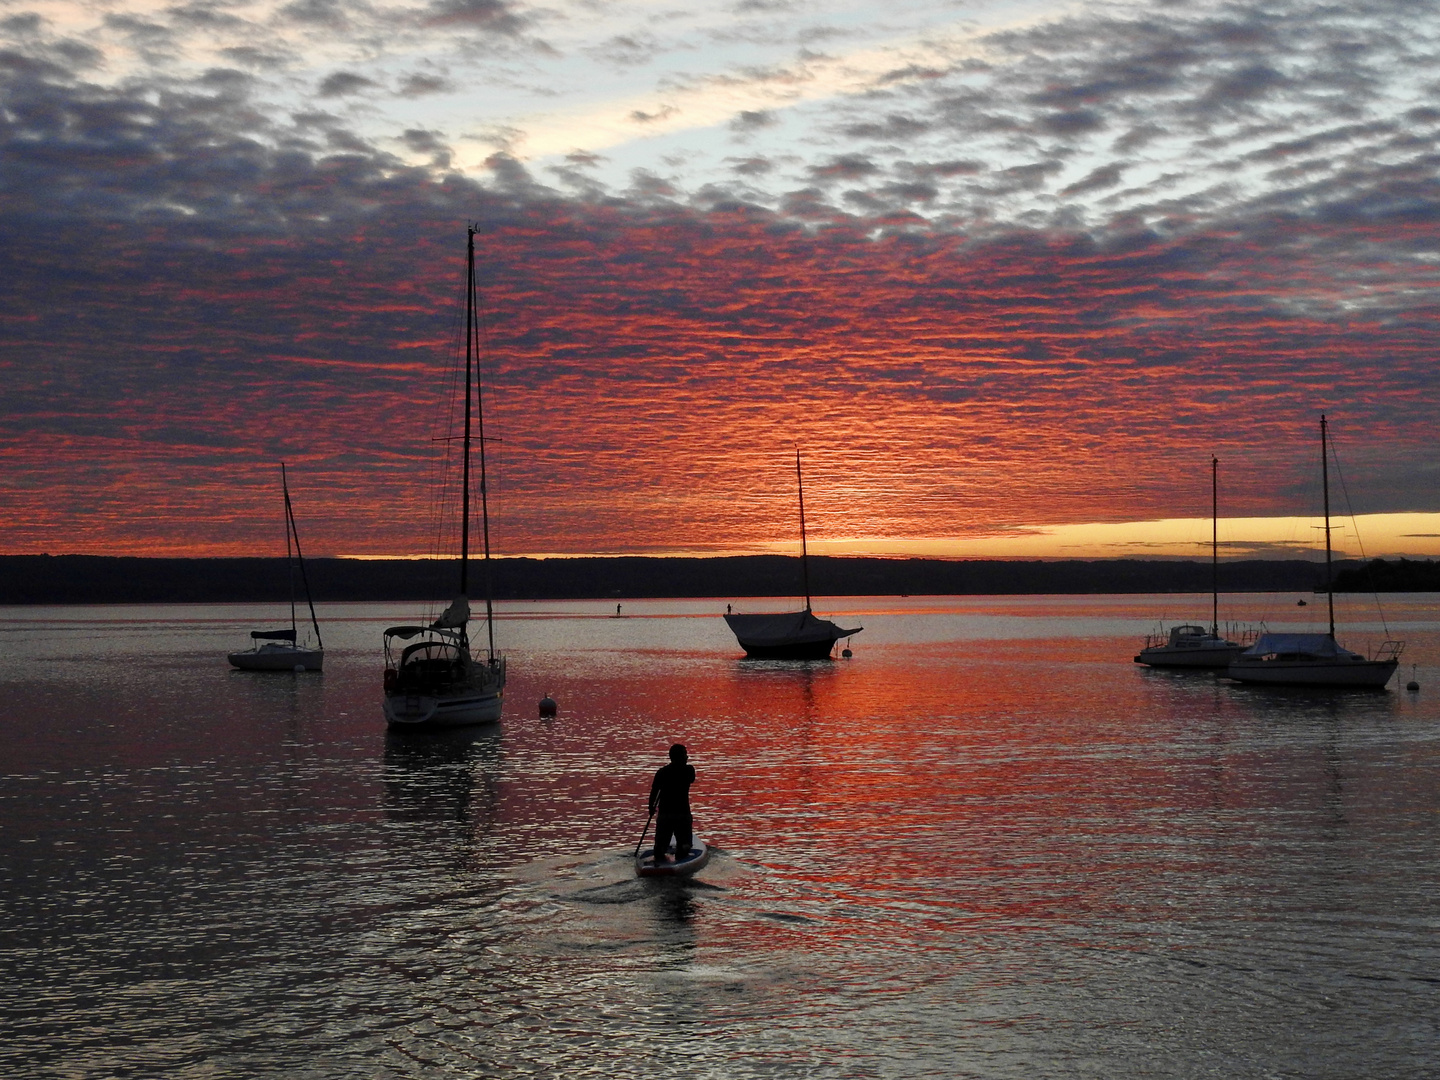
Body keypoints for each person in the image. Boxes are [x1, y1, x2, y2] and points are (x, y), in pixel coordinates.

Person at [648, 744, 695, 863]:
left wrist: (651, 806)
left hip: (665, 814)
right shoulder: (688, 770)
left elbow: (654, 792)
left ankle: (661, 851)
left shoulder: (662, 772)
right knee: (684, 845)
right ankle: (681, 850)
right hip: (681, 814)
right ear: (679, 757)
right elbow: (691, 778)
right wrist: (651, 806)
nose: (687, 757)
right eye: (685, 754)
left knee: (661, 846)